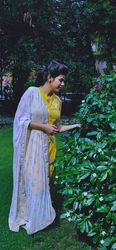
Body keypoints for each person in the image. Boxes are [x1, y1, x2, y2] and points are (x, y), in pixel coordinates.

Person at [9, 60, 81, 235]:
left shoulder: (57, 101)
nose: (63, 84)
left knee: (43, 184)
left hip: (49, 147)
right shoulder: (32, 93)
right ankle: (33, 217)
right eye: (61, 80)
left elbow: (56, 127)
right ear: (50, 77)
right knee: (34, 184)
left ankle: (38, 216)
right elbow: (20, 120)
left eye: (64, 81)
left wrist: (75, 126)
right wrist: (42, 127)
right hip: (33, 147)